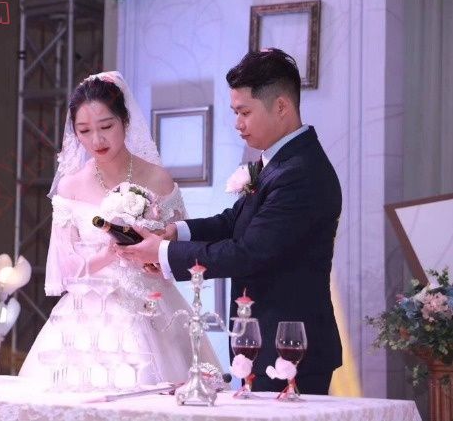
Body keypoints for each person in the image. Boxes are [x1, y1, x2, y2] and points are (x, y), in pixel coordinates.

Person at [116, 49, 343, 395]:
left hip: (290, 346)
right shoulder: (280, 162)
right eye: (235, 112)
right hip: (264, 342)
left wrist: (162, 253)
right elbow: (234, 220)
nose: (237, 124)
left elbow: (249, 252)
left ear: (281, 107)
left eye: (244, 112)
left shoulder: (301, 172)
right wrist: (175, 232)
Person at [19, 71, 220, 385]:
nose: (96, 140)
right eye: (84, 131)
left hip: (152, 304)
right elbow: (66, 271)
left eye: (106, 127)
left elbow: (178, 252)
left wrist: (153, 258)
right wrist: (111, 253)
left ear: (125, 121)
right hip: (87, 316)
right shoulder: (71, 187)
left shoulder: (158, 179)